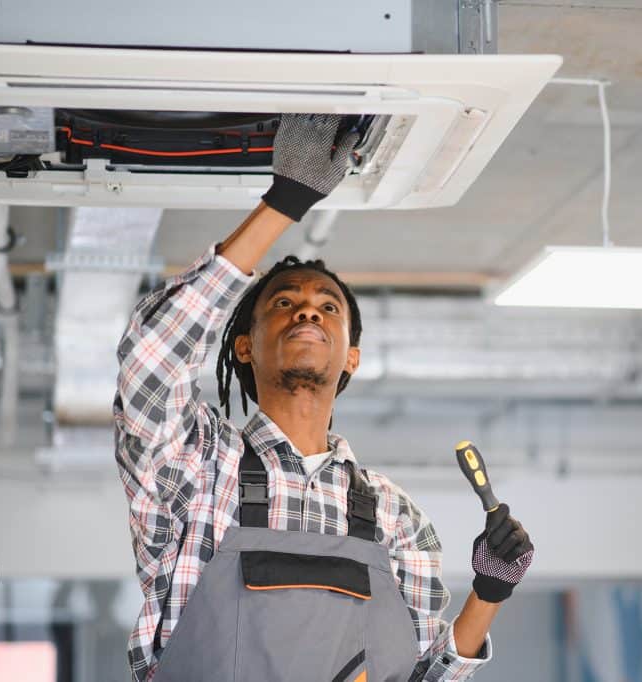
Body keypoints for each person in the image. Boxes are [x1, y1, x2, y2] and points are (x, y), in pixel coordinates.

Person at [114, 114, 534, 681]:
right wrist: (286, 201)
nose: (308, 310)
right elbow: (152, 359)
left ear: (351, 358)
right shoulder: (197, 469)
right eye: (284, 303)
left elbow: (424, 676)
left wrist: (490, 590)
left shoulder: (393, 516)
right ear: (242, 347)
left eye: (328, 308)